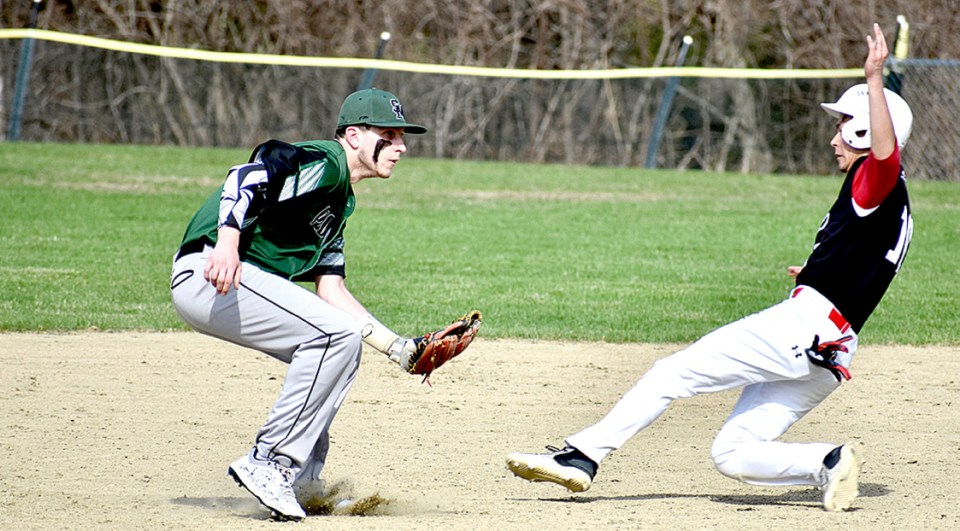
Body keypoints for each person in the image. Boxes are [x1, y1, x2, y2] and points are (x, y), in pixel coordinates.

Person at [506, 22, 913, 512]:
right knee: (732, 454)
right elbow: (862, 267)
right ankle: (827, 462)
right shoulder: (888, 200)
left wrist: (874, 80)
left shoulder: (877, 178)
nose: (834, 137)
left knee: (669, 375)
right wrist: (814, 275)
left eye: (842, 124)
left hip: (804, 330)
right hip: (830, 348)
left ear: (864, 127)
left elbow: (885, 155)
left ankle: (583, 457)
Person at [170, 88, 434, 521]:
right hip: (213, 272)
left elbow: (332, 293)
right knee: (335, 336)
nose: (401, 146)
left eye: (403, 136)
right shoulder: (327, 163)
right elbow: (247, 174)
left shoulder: (339, 203)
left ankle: (301, 480)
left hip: (236, 284)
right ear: (353, 135)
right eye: (389, 134)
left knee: (343, 348)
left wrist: (400, 349)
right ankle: (268, 461)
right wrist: (228, 244)